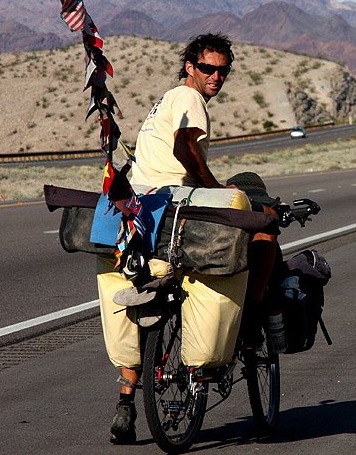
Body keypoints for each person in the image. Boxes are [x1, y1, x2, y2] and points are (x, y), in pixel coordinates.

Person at [97, 33, 278, 443]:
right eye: (209, 68)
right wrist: (215, 188)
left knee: (141, 291)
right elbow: (183, 146)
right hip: (176, 200)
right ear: (190, 68)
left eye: (223, 70)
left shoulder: (166, 99)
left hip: (142, 212)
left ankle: (127, 402)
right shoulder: (189, 99)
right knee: (264, 231)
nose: (216, 77)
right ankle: (252, 325)